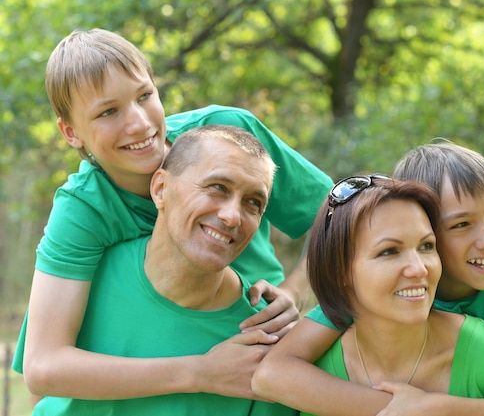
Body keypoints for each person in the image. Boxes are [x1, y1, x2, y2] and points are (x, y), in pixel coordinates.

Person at [13, 28, 332, 401]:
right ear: (71, 132)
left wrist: (295, 290)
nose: (139, 123)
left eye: (145, 96)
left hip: (258, 342)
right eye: (108, 112)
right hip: (161, 365)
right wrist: (200, 371)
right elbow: (44, 367)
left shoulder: (228, 136)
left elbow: (336, 211)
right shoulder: (84, 208)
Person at [253, 140, 484, 416]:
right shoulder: (390, 289)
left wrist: (439, 407)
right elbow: (273, 374)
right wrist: (398, 408)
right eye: (460, 224)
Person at [29, 124, 297, 415]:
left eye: (253, 203)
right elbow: (42, 391)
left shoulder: (265, 338)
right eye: (217, 188)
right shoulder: (81, 276)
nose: (233, 217)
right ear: (160, 189)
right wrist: (200, 373)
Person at [255, 174, 484, 416]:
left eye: (426, 246)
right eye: (389, 251)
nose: (419, 269)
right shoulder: (311, 375)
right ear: (340, 270)